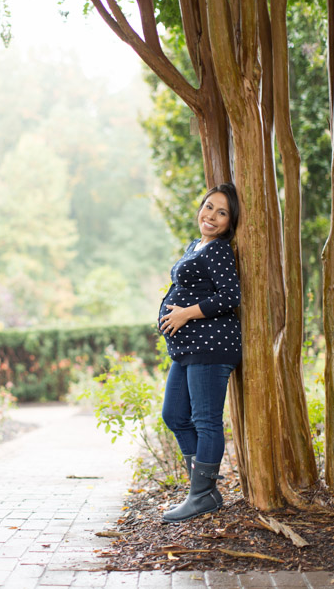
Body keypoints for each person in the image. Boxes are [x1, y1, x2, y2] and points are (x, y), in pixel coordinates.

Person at [158, 182, 241, 523]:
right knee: (175, 415)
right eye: (209, 206)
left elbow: (229, 296)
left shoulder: (218, 249)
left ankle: (201, 496)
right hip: (190, 348)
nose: (211, 216)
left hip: (211, 346)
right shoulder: (197, 245)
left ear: (229, 221)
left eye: (221, 212)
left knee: (206, 422)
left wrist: (184, 313)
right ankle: (203, 490)